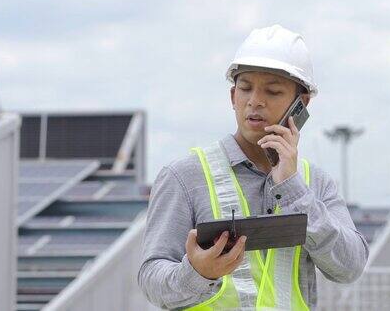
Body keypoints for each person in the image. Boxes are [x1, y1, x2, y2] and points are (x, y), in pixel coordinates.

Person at [138, 24, 369, 310]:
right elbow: (151, 281)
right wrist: (198, 273)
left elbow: (350, 267)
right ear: (233, 96)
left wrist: (293, 190)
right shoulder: (184, 176)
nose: (255, 101)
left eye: (272, 92)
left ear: (302, 104)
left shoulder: (315, 183)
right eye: (245, 88)